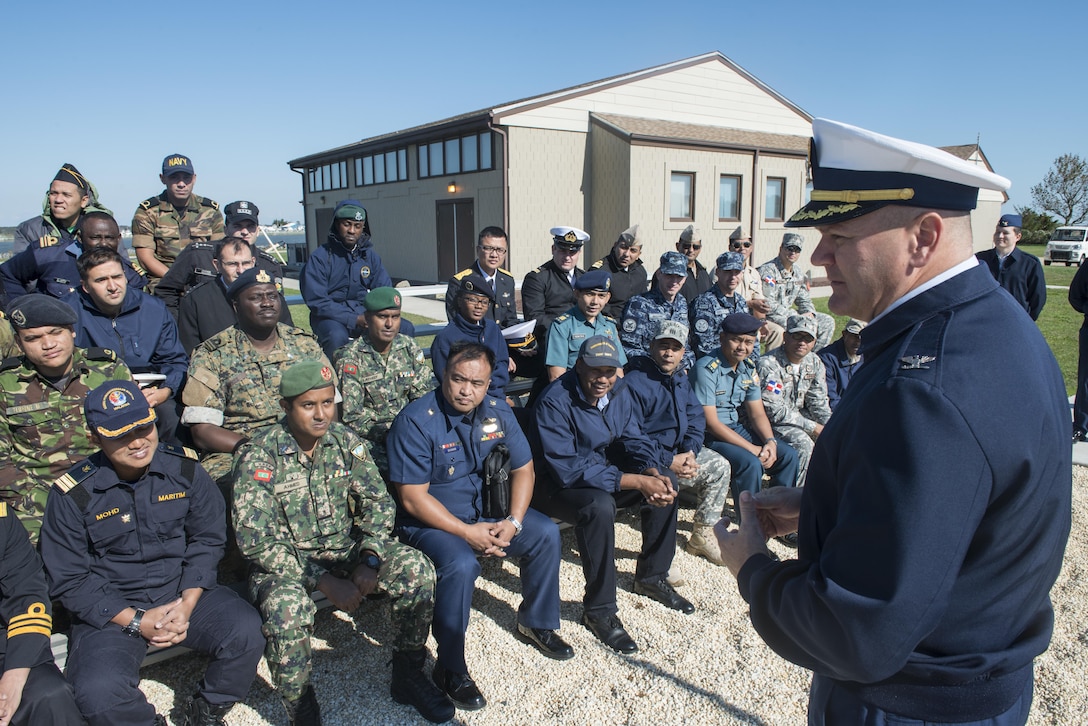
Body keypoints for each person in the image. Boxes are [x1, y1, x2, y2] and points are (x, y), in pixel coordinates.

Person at [715, 118, 1071, 725]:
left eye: (840, 235)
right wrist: (830, 499)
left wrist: (751, 567)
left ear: (923, 237)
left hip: (909, 704)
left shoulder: (923, 388)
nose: (819, 257)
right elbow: (960, 505)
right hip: (979, 685)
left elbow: (857, 633)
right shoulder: (998, 326)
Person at [233, 361, 452, 724]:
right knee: (287, 609)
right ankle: (300, 707)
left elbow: (378, 503)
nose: (321, 414)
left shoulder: (345, 442)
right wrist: (323, 581)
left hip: (344, 547)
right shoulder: (259, 455)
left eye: (327, 402)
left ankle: (408, 673)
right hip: (286, 563)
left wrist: (370, 556)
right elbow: (255, 541)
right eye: (308, 405)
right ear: (286, 407)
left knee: (417, 569)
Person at [39, 380, 264, 726]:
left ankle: (205, 710)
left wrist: (188, 601)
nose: (138, 440)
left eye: (144, 426)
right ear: (96, 438)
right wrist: (135, 619)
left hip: (180, 592)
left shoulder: (185, 469)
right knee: (97, 693)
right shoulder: (74, 495)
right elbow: (70, 578)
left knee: (248, 631)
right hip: (114, 611)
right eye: (120, 434)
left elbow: (207, 539)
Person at [388, 342, 572, 712]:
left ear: (489, 384)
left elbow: (524, 469)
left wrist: (514, 521)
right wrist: (465, 532)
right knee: (461, 564)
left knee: (544, 534)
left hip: (488, 514)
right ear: (444, 375)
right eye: (458, 379)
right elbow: (412, 498)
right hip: (431, 523)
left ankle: (536, 622)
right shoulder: (417, 420)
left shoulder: (497, 413)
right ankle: (450, 667)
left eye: (477, 382)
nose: (466, 390)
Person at [531, 336, 693, 655]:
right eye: (595, 370)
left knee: (665, 481)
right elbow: (568, 468)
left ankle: (652, 576)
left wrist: (650, 471)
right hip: (551, 484)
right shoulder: (555, 400)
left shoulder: (618, 390)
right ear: (579, 366)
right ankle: (600, 611)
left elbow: (633, 436)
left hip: (599, 469)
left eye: (610, 371)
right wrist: (631, 480)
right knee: (599, 506)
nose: (602, 378)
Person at [181, 268, 332, 486]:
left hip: (306, 440)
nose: (267, 303)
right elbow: (202, 430)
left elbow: (331, 404)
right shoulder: (212, 355)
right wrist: (255, 449)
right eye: (256, 297)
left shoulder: (304, 345)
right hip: (238, 448)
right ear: (236, 306)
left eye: (272, 296)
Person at [0, 294, 132, 542]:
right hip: (35, 498)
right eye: (33, 338)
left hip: (106, 485)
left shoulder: (109, 370)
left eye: (55, 332)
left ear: (71, 331)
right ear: (19, 343)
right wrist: (43, 502)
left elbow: (133, 437)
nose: (48, 344)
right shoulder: (5, 384)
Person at [624, 321, 733, 565]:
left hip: (678, 454)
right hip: (647, 460)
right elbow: (631, 435)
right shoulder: (634, 382)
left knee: (720, 466)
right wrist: (667, 460)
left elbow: (695, 419)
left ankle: (703, 534)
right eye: (663, 345)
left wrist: (690, 452)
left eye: (676, 348)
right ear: (651, 346)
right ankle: (661, 557)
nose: (669, 353)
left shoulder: (680, 378)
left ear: (683, 352)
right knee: (666, 481)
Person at [68, 247, 188, 442]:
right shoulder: (69, 312)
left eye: (116, 277)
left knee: (173, 419)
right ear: (85, 286)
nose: (112, 286)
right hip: (93, 392)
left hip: (149, 391)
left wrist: (164, 392)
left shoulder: (153, 308)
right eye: (101, 280)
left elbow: (175, 360)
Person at [691, 313, 799, 525]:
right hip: (709, 435)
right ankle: (750, 525)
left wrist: (770, 442)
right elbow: (711, 423)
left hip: (735, 428)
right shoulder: (706, 368)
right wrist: (753, 449)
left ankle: (777, 517)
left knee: (788, 456)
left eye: (749, 342)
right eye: (736, 340)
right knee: (750, 464)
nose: (742, 347)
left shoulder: (747, 368)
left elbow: (757, 412)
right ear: (722, 338)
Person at [335, 287, 433, 479]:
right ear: (367, 318)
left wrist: (412, 432)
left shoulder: (409, 347)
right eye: (382, 316)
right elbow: (352, 415)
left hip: (411, 434)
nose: (390, 324)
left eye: (395, 317)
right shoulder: (350, 357)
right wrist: (391, 435)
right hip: (373, 441)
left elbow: (424, 395)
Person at [0, 506, 84, 726]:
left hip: (6, 642)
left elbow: (26, 594)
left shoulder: (1, 517)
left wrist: (14, 676)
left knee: (50, 695)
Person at [301, 200, 411, 360]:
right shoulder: (320, 257)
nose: (352, 230)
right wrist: (353, 319)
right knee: (336, 336)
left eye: (357, 226)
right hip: (330, 317)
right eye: (347, 224)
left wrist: (377, 315)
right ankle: (337, 382)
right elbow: (317, 301)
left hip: (363, 313)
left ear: (363, 228)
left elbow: (385, 290)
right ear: (337, 225)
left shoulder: (369, 256)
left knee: (405, 328)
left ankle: (396, 376)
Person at [157, 200, 290, 318]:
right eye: (238, 226)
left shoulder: (269, 264)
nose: (244, 232)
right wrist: (179, 323)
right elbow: (166, 291)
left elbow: (277, 304)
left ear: (257, 231)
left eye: (250, 227)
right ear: (226, 229)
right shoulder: (197, 254)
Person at [0, 211, 144, 308]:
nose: (103, 244)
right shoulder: (48, 255)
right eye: (95, 238)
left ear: (118, 239)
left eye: (109, 238)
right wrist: (22, 312)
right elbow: (7, 274)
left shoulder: (130, 276)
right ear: (80, 238)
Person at [176, 237, 293, 354]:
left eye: (246, 263)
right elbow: (189, 350)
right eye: (232, 264)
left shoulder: (271, 297)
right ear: (217, 265)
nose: (240, 270)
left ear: (253, 262)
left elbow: (289, 338)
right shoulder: (196, 300)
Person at [755, 315, 831, 485]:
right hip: (772, 424)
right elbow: (774, 411)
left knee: (836, 438)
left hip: (798, 418)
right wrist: (814, 427)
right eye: (797, 336)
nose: (802, 342)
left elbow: (818, 401)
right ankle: (795, 499)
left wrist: (832, 426)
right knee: (804, 445)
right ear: (785, 337)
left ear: (814, 341)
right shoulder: (769, 364)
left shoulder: (814, 362)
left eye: (808, 338)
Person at [131, 154, 224, 293]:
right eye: (174, 178)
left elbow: (221, 253)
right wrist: (177, 280)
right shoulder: (147, 211)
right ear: (163, 179)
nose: (181, 184)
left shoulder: (210, 211)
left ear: (194, 179)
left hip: (204, 280)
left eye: (186, 178)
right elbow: (145, 258)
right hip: (163, 280)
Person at [430, 274, 509, 398]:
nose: (479, 306)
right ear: (460, 301)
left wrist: (497, 398)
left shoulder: (492, 329)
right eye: (472, 300)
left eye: (484, 302)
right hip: (463, 401)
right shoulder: (446, 338)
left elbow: (501, 365)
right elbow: (448, 381)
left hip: (495, 396)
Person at [757, 233, 835, 349]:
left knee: (827, 321)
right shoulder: (768, 271)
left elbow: (804, 299)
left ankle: (813, 357)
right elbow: (767, 303)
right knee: (799, 326)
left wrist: (810, 313)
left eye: (797, 250)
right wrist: (794, 315)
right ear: (781, 248)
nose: (793, 253)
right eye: (789, 248)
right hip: (772, 316)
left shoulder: (798, 273)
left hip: (791, 315)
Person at [546, 269, 625, 380]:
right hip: (574, 391)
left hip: (606, 391)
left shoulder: (609, 326)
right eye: (590, 294)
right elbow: (556, 376)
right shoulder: (562, 326)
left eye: (601, 296)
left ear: (607, 298)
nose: (595, 301)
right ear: (577, 294)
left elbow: (618, 371)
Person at [620, 251, 693, 369]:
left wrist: (684, 367)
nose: (674, 282)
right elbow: (629, 347)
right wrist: (659, 366)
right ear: (659, 274)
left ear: (685, 278)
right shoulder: (639, 304)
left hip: (676, 371)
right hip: (646, 372)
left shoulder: (682, 303)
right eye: (669, 275)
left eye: (679, 276)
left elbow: (686, 346)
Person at [11, 163, 106, 254]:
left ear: (84, 201)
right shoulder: (29, 230)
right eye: (53, 193)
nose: (58, 200)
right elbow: (19, 268)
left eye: (66, 195)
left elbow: (117, 264)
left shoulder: (103, 228)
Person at [521, 227, 587, 358]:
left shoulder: (585, 277)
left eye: (572, 252)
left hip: (583, 337)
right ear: (553, 249)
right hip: (552, 339)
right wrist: (567, 331)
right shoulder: (537, 278)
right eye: (563, 251)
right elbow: (535, 317)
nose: (567, 257)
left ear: (579, 253)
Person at [976, 213, 1047, 320]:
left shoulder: (1030, 264)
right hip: (985, 319)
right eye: (997, 232)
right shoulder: (980, 260)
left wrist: (1027, 321)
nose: (1000, 236)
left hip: (1016, 321)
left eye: (1005, 233)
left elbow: (1037, 298)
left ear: (1018, 236)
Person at [444, 226, 518, 327]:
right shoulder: (460, 282)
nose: (494, 255)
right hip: (474, 341)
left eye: (500, 250)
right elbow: (456, 323)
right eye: (488, 248)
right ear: (478, 250)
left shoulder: (507, 280)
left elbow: (511, 319)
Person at [730, 226, 784, 352]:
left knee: (777, 332)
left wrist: (762, 321)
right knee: (755, 334)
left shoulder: (753, 273)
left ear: (751, 248)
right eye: (737, 245)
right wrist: (750, 303)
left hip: (751, 319)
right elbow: (723, 299)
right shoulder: (722, 271)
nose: (742, 248)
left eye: (747, 244)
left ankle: (768, 365)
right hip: (732, 319)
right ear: (730, 247)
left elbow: (759, 302)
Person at [690, 251, 751, 359]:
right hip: (715, 366)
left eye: (737, 272)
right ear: (717, 272)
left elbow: (750, 337)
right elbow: (704, 347)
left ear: (742, 274)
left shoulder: (741, 302)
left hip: (739, 362)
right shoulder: (704, 303)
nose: (733, 277)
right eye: (728, 272)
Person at [588, 224, 647, 319]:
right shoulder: (600, 271)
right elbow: (595, 306)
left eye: (633, 250)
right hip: (608, 325)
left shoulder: (640, 272)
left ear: (638, 254)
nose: (627, 254)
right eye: (623, 247)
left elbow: (644, 301)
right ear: (615, 246)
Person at [816, 318, 865, 411]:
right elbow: (830, 399)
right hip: (837, 413)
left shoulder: (867, 355)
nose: (858, 341)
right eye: (854, 336)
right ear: (844, 334)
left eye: (862, 337)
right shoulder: (826, 358)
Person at [677, 225, 713, 303]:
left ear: (700, 248)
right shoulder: (669, 274)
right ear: (678, 246)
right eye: (686, 246)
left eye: (695, 247)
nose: (691, 250)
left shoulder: (703, 273)